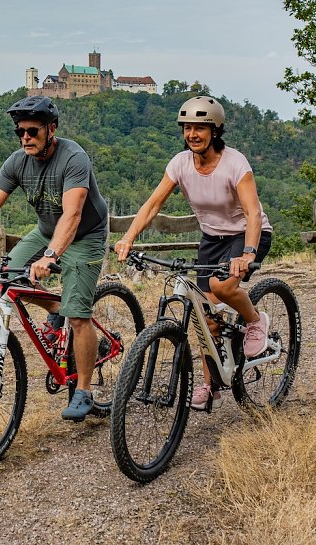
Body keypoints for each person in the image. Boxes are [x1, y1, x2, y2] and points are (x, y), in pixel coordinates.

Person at [0, 95, 109, 422]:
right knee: (7, 276)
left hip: (85, 235)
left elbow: (73, 215)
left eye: (32, 131)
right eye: (20, 132)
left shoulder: (73, 158)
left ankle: (85, 391)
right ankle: (56, 312)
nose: (25, 138)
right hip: (47, 230)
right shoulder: (17, 161)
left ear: (52, 129)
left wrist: (50, 257)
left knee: (78, 315)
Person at [113, 95, 273, 411]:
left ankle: (255, 320)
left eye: (200, 127)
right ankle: (211, 384)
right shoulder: (180, 164)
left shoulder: (235, 163)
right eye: (187, 128)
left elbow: (253, 213)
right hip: (212, 239)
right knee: (204, 317)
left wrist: (249, 253)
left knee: (221, 287)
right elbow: (153, 204)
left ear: (215, 131)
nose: (193, 134)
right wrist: (129, 238)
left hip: (246, 234)